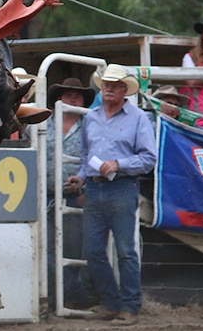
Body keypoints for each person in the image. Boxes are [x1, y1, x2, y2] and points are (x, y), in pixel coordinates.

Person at [65, 64, 157, 325]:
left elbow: (149, 158)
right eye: (106, 85)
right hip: (94, 187)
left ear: (123, 90)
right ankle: (112, 302)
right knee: (93, 250)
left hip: (122, 188)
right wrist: (80, 177)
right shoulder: (92, 118)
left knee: (126, 250)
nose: (108, 89)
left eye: (114, 86)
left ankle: (129, 306)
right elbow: (86, 157)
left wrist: (119, 164)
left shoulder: (138, 118)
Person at [45, 77, 96, 311]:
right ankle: (67, 297)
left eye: (77, 94)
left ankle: (66, 298)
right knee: (48, 249)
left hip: (77, 195)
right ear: (59, 97)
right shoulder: (42, 123)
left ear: (83, 99)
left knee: (73, 249)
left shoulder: (91, 126)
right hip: (44, 194)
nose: (72, 97)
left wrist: (86, 188)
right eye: (67, 93)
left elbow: (95, 159)